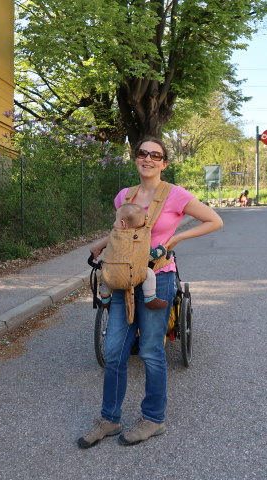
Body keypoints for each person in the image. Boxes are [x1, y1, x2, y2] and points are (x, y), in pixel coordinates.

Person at [78, 136, 223, 448]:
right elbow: (123, 230)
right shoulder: (124, 196)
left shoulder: (176, 195)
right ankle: (110, 419)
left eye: (155, 155)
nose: (148, 159)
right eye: (142, 153)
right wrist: (102, 244)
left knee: (151, 352)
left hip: (158, 278)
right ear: (135, 158)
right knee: (115, 350)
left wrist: (173, 241)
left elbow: (214, 220)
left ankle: (153, 419)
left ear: (164, 163)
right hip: (121, 280)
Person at [97, 203, 168, 310]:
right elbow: (147, 256)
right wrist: (161, 250)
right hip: (132, 275)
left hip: (111, 275)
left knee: (103, 274)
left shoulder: (113, 236)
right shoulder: (138, 240)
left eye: (115, 220)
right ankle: (150, 298)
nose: (113, 223)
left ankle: (105, 298)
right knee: (149, 274)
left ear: (123, 224)